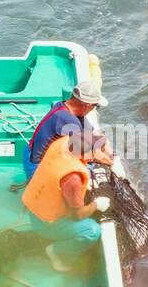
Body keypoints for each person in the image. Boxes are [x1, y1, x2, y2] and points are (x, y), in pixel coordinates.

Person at [20, 79, 114, 272]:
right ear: (87, 105)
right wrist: (98, 204)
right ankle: (56, 251)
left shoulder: (65, 120)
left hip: (38, 168)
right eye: (95, 106)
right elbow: (78, 215)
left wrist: (102, 145)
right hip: (35, 170)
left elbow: (91, 137)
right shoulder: (72, 174)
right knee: (90, 230)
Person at [23, 80, 114, 182]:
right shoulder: (67, 119)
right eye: (96, 106)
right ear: (87, 105)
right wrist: (112, 163)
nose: (94, 109)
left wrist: (112, 154)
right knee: (84, 176)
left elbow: (95, 135)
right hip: (37, 167)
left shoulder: (66, 107)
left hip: (31, 153)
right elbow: (87, 154)